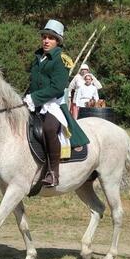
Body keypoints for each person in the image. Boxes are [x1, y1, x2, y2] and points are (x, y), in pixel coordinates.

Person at [23, 19, 89, 187]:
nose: (46, 40)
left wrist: (35, 98)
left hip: (54, 104)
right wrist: (26, 97)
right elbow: (34, 82)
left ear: (58, 41)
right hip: (35, 102)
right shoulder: (38, 57)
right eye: (44, 37)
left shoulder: (62, 59)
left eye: (50, 38)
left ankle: (53, 173)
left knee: (49, 128)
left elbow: (57, 88)